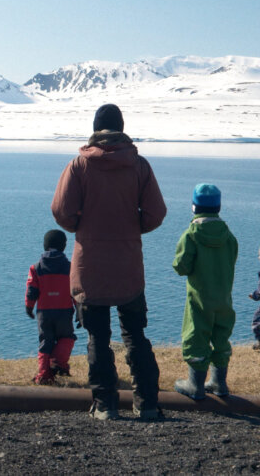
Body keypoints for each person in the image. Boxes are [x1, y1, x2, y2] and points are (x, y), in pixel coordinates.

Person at [51, 104, 167, 420]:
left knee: (97, 339)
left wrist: (82, 226)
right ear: (121, 127)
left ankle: (105, 405)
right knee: (135, 335)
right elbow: (156, 213)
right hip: (129, 265)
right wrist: (132, 228)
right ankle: (147, 404)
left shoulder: (79, 166)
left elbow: (61, 211)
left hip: (89, 267)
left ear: (95, 128)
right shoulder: (139, 166)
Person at [172, 184, 238, 400]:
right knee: (221, 335)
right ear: (218, 207)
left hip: (199, 296)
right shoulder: (228, 236)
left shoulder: (191, 235)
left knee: (195, 334)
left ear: (194, 207)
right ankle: (219, 383)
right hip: (223, 296)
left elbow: (181, 266)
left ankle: (195, 384)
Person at [25, 229, 77, 385]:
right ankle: (58, 363)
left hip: (44, 313)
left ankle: (44, 375)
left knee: (45, 342)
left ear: (44, 245)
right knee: (67, 338)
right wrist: (81, 311)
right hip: (64, 311)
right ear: (64, 246)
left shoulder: (36, 268)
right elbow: (76, 291)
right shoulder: (70, 267)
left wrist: (29, 307)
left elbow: (32, 290)